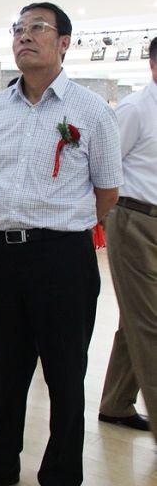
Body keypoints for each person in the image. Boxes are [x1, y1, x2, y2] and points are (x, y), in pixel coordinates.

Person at [0, 2, 122, 486]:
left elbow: (108, 190)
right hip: (2, 256)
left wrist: (62, 230)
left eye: (38, 29)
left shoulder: (91, 110)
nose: (25, 37)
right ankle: (2, 462)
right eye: (18, 29)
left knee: (65, 373)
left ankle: (60, 484)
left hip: (62, 258)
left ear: (64, 43)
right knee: (8, 365)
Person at [98, 36, 157, 438]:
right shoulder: (136, 108)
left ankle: (117, 403)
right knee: (151, 324)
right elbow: (105, 165)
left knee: (137, 319)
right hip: (134, 220)